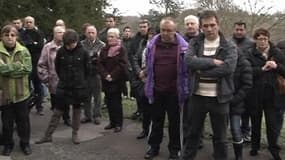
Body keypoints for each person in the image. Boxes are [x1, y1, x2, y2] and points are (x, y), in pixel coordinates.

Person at [182, 10, 238, 160]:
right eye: (205, 26)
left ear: (218, 25)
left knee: (220, 138)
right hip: (197, 97)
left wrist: (201, 71)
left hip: (219, 99)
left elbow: (228, 68)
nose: (209, 29)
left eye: (212, 25)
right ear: (200, 27)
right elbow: (188, 61)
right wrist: (212, 62)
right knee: (192, 134)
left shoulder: (229, 46)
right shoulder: (195, 42)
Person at [143, 17, 189, 160]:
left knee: (175, 123)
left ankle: (174, 150)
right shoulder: (152, 45)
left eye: (169, 30)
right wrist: (144, 73)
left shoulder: (183, 47)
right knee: (156, 121)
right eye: (163, 30)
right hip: (157, 90)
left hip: (175, 92)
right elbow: (148, 65)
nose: (166, 33)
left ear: (175, 31)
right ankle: (153, 147)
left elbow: (188, 71)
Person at [35, 29, 90, 145]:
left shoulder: (84, 52)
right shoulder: (61, 52)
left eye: (72, 44)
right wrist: (64, 79)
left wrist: (80, 81)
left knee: (76, 111)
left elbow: (87, 70)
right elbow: (57, 67)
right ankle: (48, 135)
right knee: (57, 112)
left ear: (76, 41)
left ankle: (75, 134)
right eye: (67, 45)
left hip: (78, 87)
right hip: (64, 86)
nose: (70, 47)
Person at [245, 28, 285, 160]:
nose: (262, 41)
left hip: (273, 95)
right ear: (255, 40)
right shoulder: (249, 53)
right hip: (255, 94)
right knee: (255, 123)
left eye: (265, 39)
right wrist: (261, 69)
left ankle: (274, 149)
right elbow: (246, 72)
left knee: (272, 125)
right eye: (259, 39)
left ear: (268, 39)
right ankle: (254, 147)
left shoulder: (277, 53)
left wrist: (276, 66)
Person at [0, 25, 32, 156]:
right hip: (5, 95)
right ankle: (8, 144)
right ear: (1, 37)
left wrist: (6, 69)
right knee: (7, 124)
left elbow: (27, 69)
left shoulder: (23, 51)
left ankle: (25, 143)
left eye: (12, 35)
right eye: (6, 35)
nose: (9, 38)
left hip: (21, 95)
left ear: (17, 37)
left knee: (23, 122)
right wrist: (17, 67)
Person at [37, 26, 71, 126]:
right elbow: (42, 64)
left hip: (66, 79)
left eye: (63, 32)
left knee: (66, 100)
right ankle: (55, 120)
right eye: (59, 32)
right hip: (53, 80)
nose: (62, 34)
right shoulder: (47, 47)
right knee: (56, 102)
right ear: (54, 34)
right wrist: (45, 78)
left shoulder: (68, 46)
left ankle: (67, 118)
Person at [98, 28, 128, 133]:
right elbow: (100, 63)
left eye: (112, 36)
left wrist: (112, 75)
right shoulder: (104, 49)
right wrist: (105, 75)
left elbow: (122, 64)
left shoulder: (121, 49)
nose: (109, 38)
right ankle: (112, 122)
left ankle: (118, 123)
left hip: (117, 81)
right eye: (108, 36)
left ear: (117, 37)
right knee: (109, 102)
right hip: (106, 80)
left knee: (116, 103)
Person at [229, 21, 254, 142]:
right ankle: (235, 133)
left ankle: (246, 132)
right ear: (233, 30)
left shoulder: (251, 44)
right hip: (232, 82)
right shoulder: (228, 42)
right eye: (237, 29)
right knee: (234, 111)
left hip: (248, 80)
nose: (239, 32)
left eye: (241, 30)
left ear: (245, 30)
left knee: (246, 111)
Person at [132, 27, 157, 139]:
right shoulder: (143, 44)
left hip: (154, 79)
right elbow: (135, 58)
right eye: (149, 33)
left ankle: (154, 131)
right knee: (145, 107)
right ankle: (145, 129)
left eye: (153, 33)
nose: (151, 35)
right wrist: (139, 73)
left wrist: (146, 73)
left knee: (154, 108)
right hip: (142, 79)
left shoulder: (159, 46)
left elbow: (155, 62)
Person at [229, 52, 252, 160]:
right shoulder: (224, 62)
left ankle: (239, 156)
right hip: (221, 101)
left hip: (236, 102)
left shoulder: (244, 64)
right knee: (219, 130)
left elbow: (247, 85)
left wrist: (235, 100)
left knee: (235, 129)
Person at [80, 25, 105, 124]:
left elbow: (102, 59)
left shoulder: (102, 45)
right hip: (85, 73)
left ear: (96, 33)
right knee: (86, 96)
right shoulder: (81, 44)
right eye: (89, 32)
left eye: (92, 32)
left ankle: (97, 115)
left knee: (97, 96)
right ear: (85, 33)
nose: (90, 35)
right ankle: (87, 115)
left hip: (96, 73)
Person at [21, 16, 45, 115]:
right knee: (25, 87)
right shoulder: (21, 34)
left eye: (31, 22)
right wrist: (31, 44)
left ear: (34, 23)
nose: (29, 24)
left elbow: (40, 46)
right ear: (24, 23)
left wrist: (31, 44)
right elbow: (22, 45)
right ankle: (26, 107)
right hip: (25, 64)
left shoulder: (39, 33)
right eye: (27, 22)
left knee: (38, 86)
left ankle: (39, 107)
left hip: (36, 63)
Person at [129, 19, 150, 120]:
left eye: (144, 27)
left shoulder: (150, 39)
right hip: (136, 70)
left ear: (148, 27)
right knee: (137, 93)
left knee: (146, 95)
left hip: (147, 71)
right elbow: (132, 55)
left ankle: (145, 114)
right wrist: (137, 71)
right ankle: (139, 111)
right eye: (141, 27)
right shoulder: (135, 39)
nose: (142, 29)